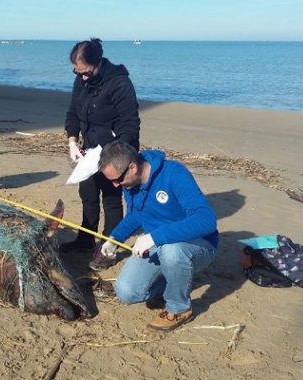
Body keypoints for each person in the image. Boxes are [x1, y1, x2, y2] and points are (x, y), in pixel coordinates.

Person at [96, 141, 219, 331]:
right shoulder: (130, 184)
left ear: (133, 167)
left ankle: (179, 308)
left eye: (117, 180)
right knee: (126, 292)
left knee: (172, 251)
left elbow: (206, 220)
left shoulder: (174, 174)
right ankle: (174, 280)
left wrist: (154, 237)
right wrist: (114, 240)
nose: (115, 185)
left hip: (197, 245)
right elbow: (135, 215)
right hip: (158, 244)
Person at [62, 38, 141, 266]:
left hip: (114, 151)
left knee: (111, 199)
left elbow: (130, 124)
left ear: (97, 63)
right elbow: (73, 113)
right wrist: (72, 141)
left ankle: (107, 247)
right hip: (88, 151)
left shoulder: (119, 83)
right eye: (77, 73)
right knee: (87, 195)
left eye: (86, 72)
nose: (82, 77)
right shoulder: (81, 80)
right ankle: (86, 239)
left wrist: (115, 157)